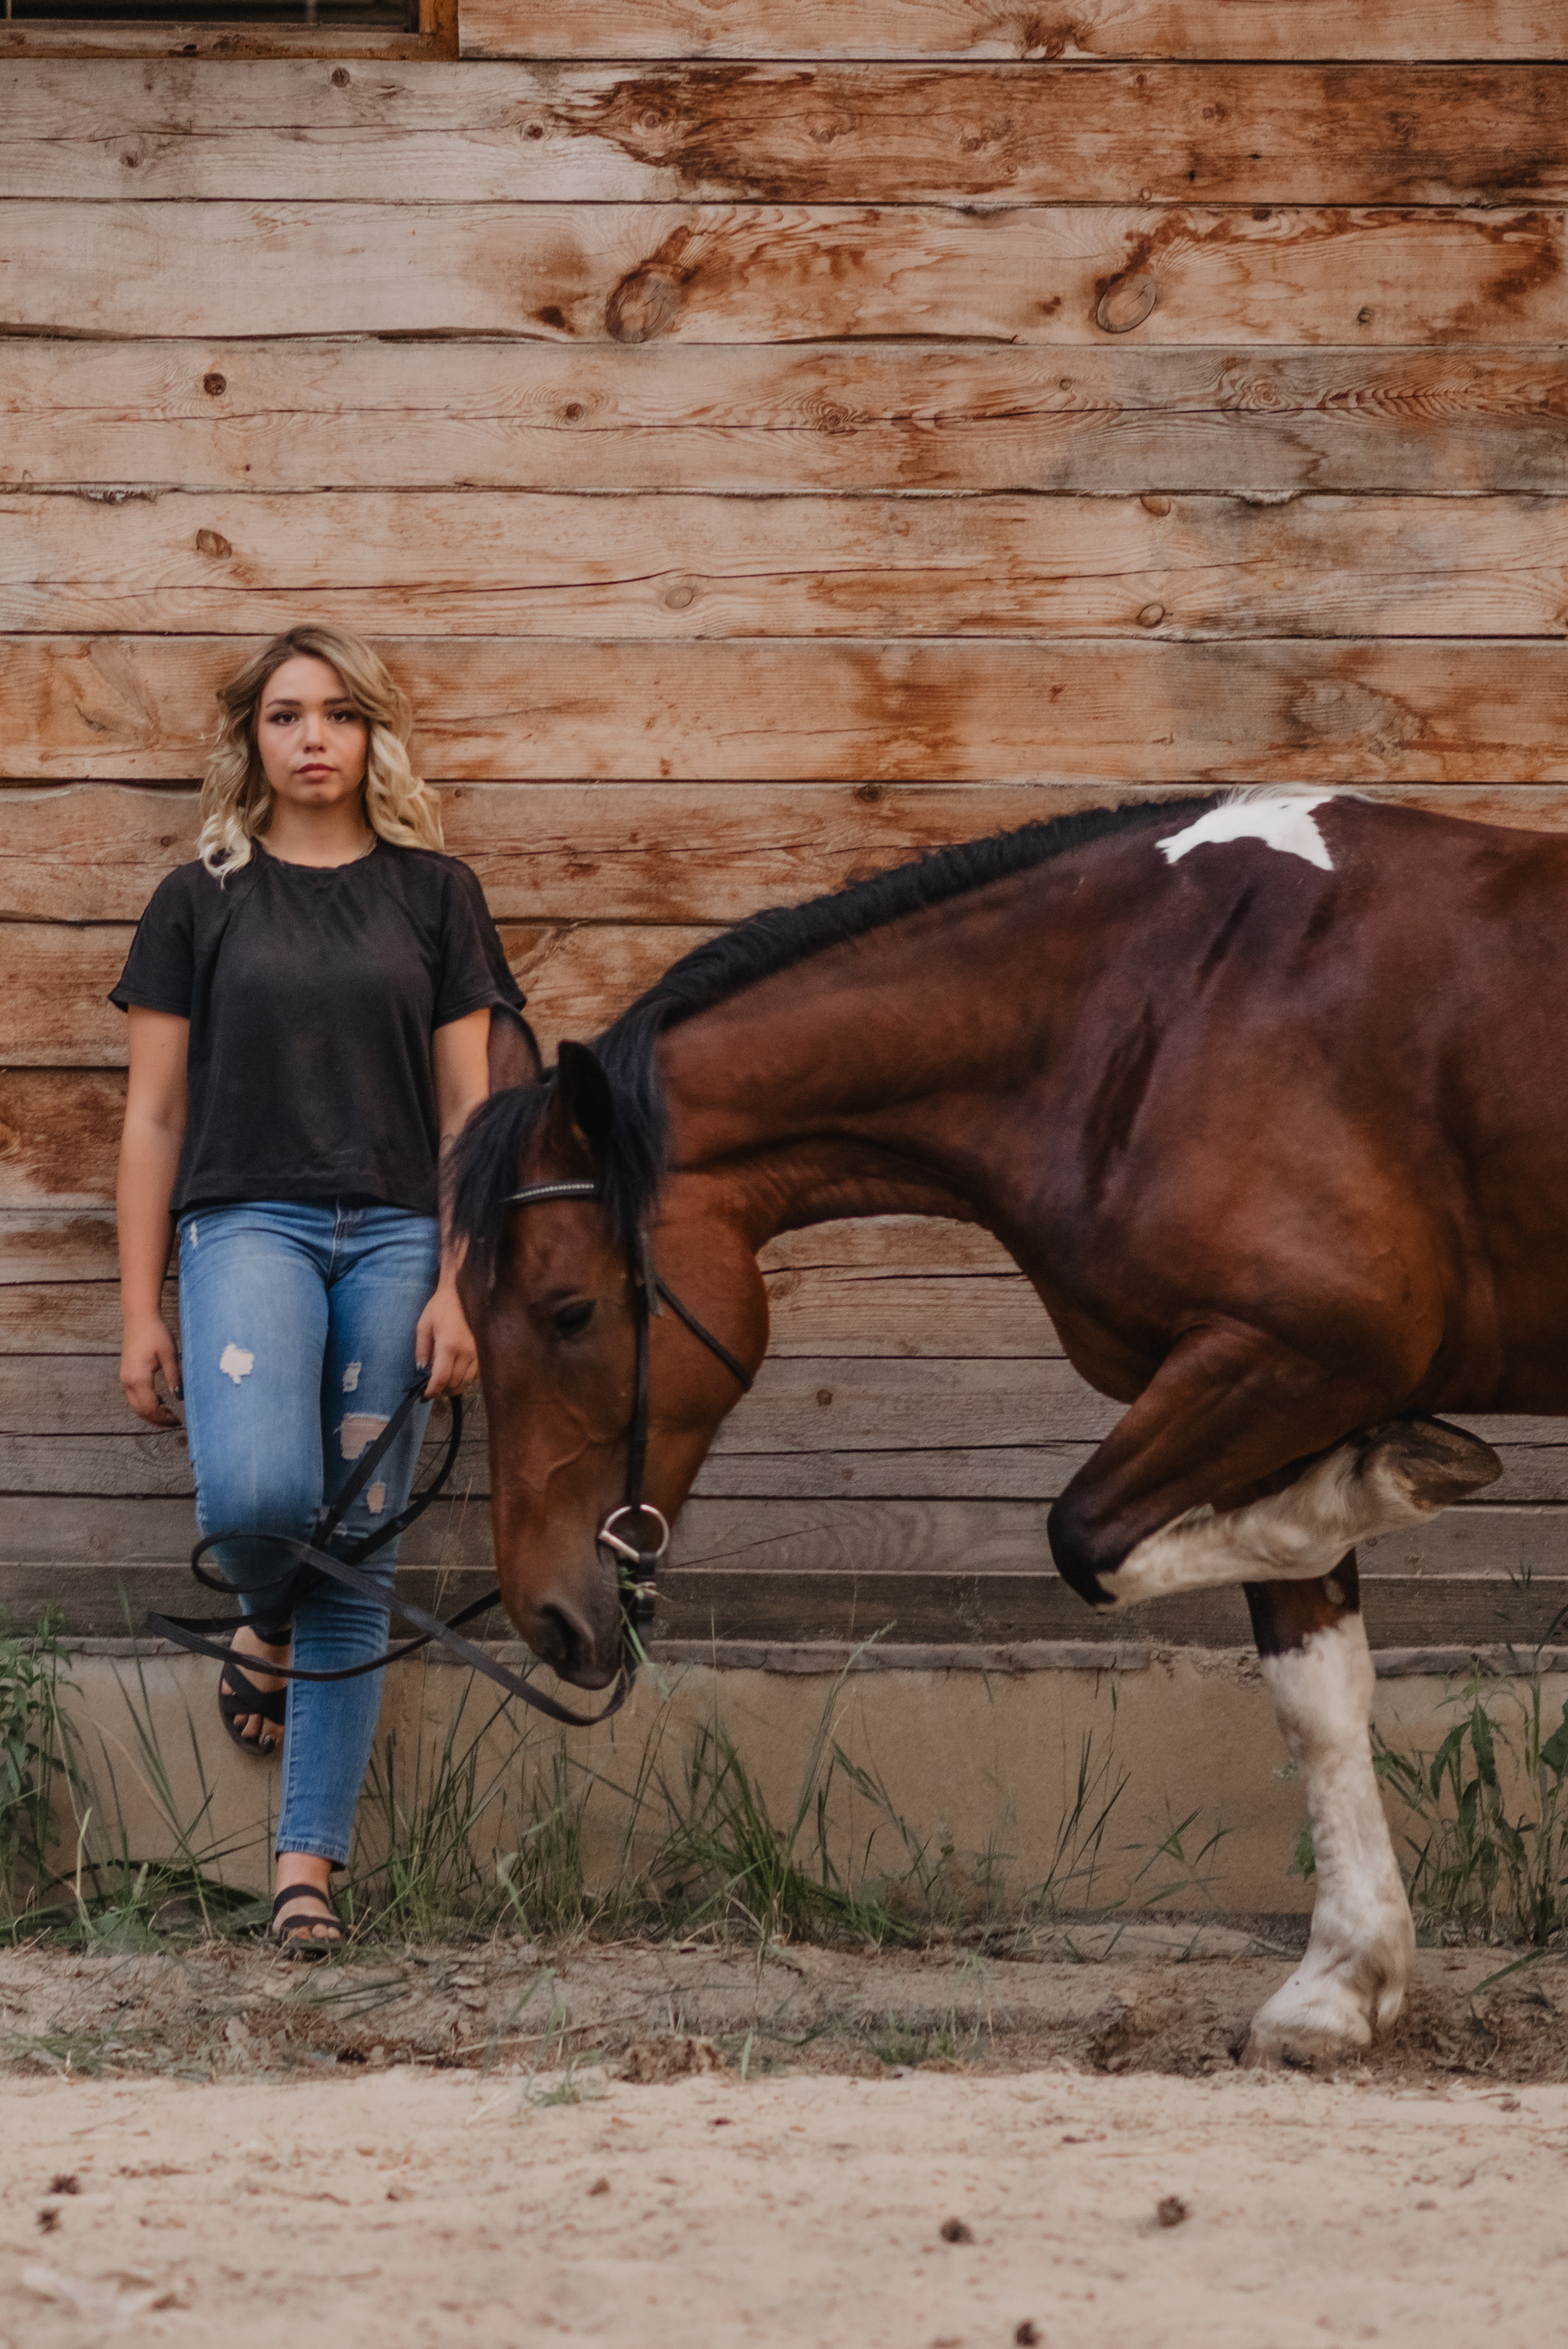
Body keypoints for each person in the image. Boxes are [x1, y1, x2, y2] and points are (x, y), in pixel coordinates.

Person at [113, 623, 527, 1955]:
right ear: (252, 737)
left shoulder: (437, 895)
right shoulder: (198, 902)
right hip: (246, 1224)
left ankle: (306, 1872)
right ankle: (264, 1616)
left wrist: (461, 1284)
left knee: (361, 1541)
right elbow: (153, 1118)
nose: (313, 738)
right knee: (259, 1499)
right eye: (287, 714)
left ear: (372, 737)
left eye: (340, 714)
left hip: (402, 1234)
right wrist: (139, 1307)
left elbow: (472, 1113)